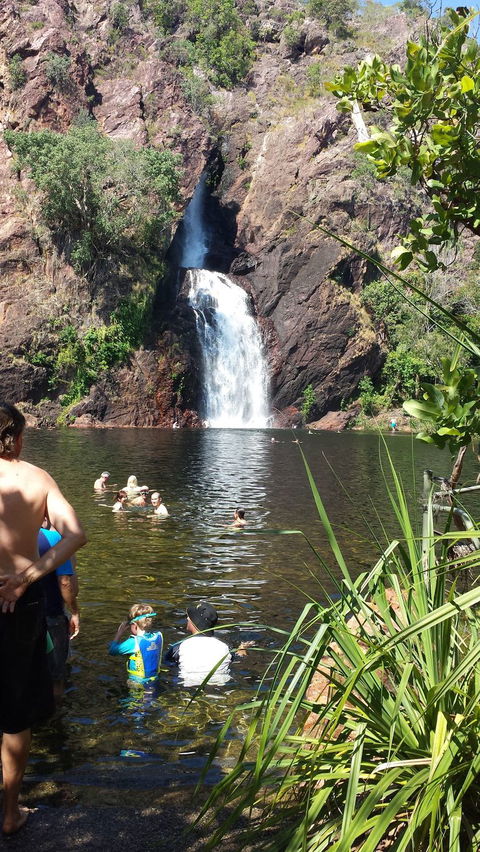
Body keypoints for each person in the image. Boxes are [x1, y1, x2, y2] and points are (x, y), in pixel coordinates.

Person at [0, 402, 86, 835]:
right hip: (18, 603)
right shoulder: (36, 478)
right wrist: (25, 578)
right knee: (15, 713)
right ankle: (10, 814)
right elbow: (75, 534)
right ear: (17, 437)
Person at [165, 602, 252, 687]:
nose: (187, 618)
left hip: (188, 685)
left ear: (195, 622)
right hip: (220, 685)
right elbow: (236, 658)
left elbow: (168, 664)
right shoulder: (225, 647)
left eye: (191, 617)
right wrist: (242, 649)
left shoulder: (180, 647)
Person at [37, 525, 80, 702]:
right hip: (51, 614)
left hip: (17, 613)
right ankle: (57, 713)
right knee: (56, 676)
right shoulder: (54, 539)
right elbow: (66, 583)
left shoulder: (8, 535)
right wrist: (75, 612)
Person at [108, 604, 163, 684]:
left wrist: (119, 633)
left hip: (137, 682)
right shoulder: (158, 636)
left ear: (134, 625)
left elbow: (112, 651)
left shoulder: (133, 642)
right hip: (155, 678)